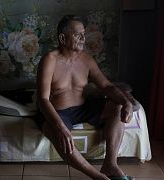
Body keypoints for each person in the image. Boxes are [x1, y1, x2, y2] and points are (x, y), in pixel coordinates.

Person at [36, 15, 134, 180]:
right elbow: (42, 99)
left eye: (83, 34)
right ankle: (97, 176)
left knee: (116, 106)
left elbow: (106, 86)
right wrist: (60, 126)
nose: (83, 38)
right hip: (58, 112)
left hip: (82, 108)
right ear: (62, 38)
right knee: (57, 131)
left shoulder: (86, 60)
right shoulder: (49, 60)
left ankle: (110, 165)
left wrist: (126, 102)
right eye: (77, 34)